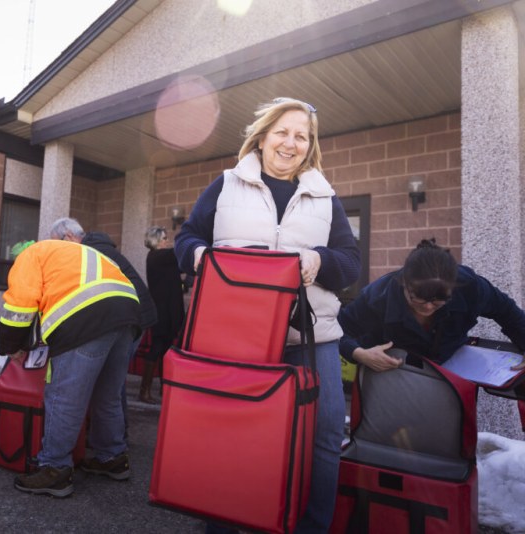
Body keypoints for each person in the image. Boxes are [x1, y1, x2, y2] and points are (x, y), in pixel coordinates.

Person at [174, 97, 360, 533]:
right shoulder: (226, 185)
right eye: (282, 132)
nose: (290, 143)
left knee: (324, 435)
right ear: (262, 137)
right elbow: (187, 237)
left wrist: (319, 260)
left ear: (310, 145)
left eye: (301, 136)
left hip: (311, 338)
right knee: (229, 432)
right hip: (236, 335)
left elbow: (351, 262)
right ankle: (223, 523)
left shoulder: (325, 196)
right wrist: (199, 257)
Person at [0, 238, 141, 498]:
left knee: (65, 397)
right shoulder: (72, 252)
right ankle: (112, 457)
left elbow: (20, 305)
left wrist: (11, 346)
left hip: (87, 317)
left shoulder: (30, 256)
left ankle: (54, 469)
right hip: (127, 312)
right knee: (107, 395)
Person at [338, 238, 525, 372]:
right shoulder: (377, 296)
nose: (428, 307)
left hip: (453, 374)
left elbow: (507, 311)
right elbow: (338, 329)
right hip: (393, 377)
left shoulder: (470, 286)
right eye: (418, 299)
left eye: (438, 301)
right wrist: (358, 353)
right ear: (404, 283)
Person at [48, 217, 157, 405]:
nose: (58, 250)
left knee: (111, 384)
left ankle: (117, 421)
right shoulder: (96, 247)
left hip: (132, 318)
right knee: (112, 382)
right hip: (132, 316)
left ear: (69, 237)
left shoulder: (91, 252)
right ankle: (114, 421)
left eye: (57, 243)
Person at [143, 226, 185, 403]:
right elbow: (177, 252)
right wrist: (188, 237)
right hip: (162, 312)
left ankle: (163, 387)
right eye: (164, 238)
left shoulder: (161, 258)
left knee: (165, 349)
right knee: (157, 348)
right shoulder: (157, 256)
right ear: (156, 241)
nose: (167, 241)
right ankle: (144, 391)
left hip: (168, 311)